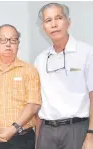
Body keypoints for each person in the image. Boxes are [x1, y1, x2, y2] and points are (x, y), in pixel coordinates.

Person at [34, 3, 93, 149]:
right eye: (48, 20)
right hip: (46, 131)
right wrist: (37, 139)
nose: (54, 24)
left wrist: (90, 135)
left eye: (58, 18)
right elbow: (39, 101)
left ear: (68, 22)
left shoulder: (86, 53)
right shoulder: (40, 59)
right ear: (43, 27)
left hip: (77, 128)